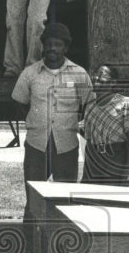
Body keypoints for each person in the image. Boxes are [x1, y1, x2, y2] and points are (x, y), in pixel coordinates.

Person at [11, 21, 95, 229]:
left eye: (57, 45)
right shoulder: (30, 73)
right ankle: (30, 251)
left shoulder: (79, 74)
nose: (52, 49)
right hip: (36, 145)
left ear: (65, 47)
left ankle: (63, 249)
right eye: (48, 44)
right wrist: (37, 121)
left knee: (65, 199)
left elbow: (90, 104)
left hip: (66, 145)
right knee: (33, 199)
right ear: (42, 46)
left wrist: (71, 122)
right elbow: (19, 103)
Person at [82, 65, 129, 186]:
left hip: (115, 158)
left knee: (113, 200)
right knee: (91, 200)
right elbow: (89, 141)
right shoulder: (89, 106)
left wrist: (128, 170)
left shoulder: (125, 103)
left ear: (112, 82)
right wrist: (87, 171)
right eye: (95, 79)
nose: (96, 82)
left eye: (101, 80)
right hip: (94, 161)